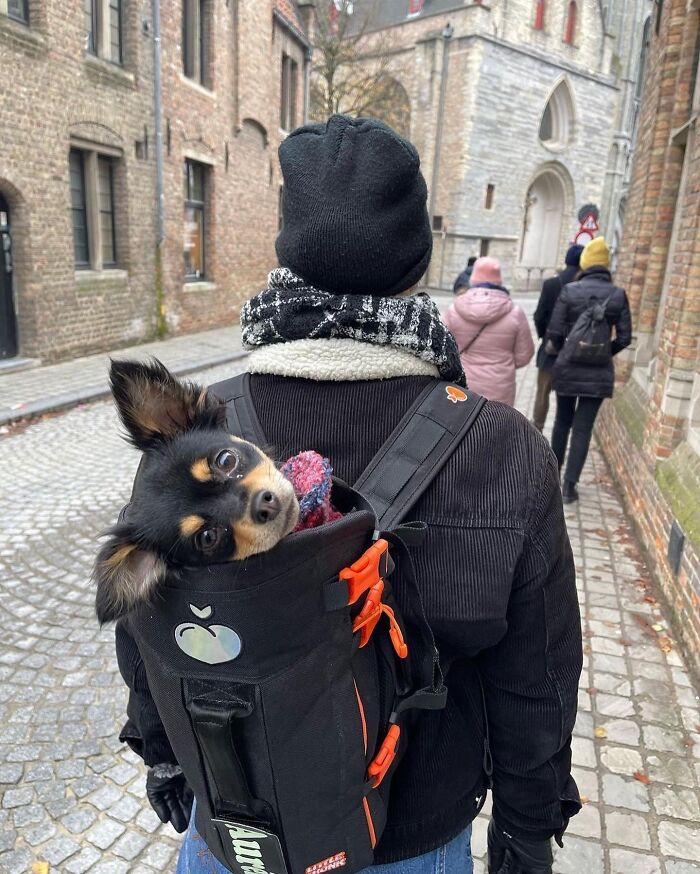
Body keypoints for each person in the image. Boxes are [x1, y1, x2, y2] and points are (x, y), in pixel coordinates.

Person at [113, 116, 582, 874]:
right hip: (414, 841)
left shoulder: (192, 450)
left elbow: (147, 638)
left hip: (236, 832)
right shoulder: (505, 452)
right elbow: (538, 680)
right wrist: (524, 837)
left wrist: (163, 758)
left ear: (285, 255)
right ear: (419, 266)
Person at [546, 236, 632, 504]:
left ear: (585, 264)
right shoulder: (617, 295)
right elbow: (625, 338)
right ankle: (570, 487)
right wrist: (604, 352)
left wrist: (567, 350)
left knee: (562, 422)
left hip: (568, 368)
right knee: (583, 428)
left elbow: (555, 331)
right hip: (599, 373)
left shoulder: (570, 291)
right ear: (606, 265)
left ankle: (552, 480)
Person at [442, 257, 534, 406]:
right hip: (501, 386)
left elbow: (442, 349)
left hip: (464, 385)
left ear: (473, 278)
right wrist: (502, 364)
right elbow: (524, 356)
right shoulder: (516, 313)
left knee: (463, 426)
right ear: (498, 280)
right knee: (496, 426)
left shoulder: (455, 309)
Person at [531, 245, 584, 432]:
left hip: (550, 350)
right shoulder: (583, 287)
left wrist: (544, 336)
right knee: (566, 399)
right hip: (574, 352)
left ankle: (536, 431)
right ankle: (561, 434)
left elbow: (539, 316)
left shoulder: (551, 284)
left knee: (542, 395)